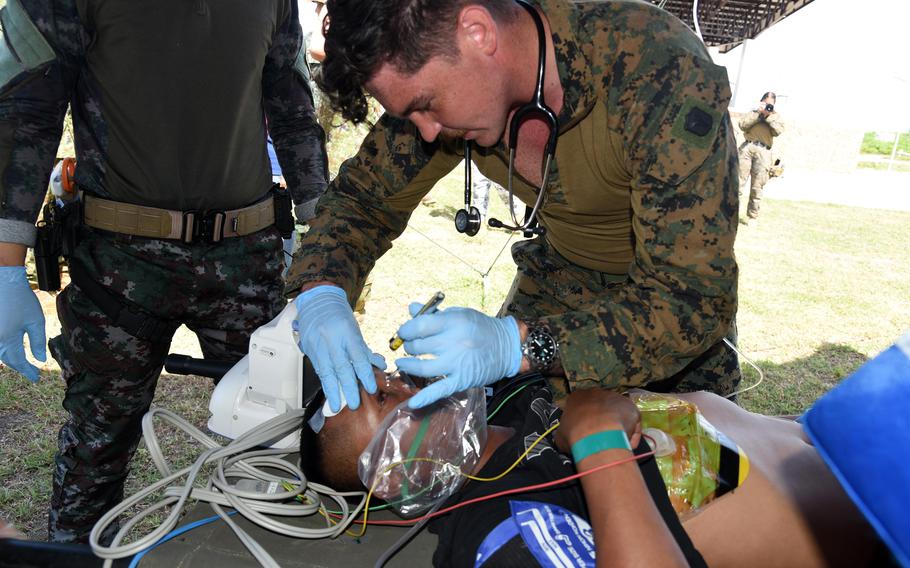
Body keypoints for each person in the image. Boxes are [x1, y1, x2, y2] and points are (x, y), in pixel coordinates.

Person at [287, 0, 742, 415]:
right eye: (411, 116)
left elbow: (691, 299)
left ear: (478, 32)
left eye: (426, 105)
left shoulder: (657, 68)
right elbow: (364, 200)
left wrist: (516, 347)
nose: (426, 133)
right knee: (508, 443)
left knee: (681, 478)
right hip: (558, 280)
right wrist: (321, 293)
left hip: (668, 321)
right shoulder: (441, 83)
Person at [0, 0, 327, 543]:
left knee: (271, 446)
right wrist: (7, 266)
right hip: (120, 269)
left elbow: (293, 109)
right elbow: (23, 115)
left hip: (246, 257)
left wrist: (324, 241)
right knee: (97, 449)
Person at [302, 368, 881, 567]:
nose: (405, 383)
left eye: (383, 376)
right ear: (399, 474)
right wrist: (600, 441)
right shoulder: (500, 528)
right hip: (886, 526)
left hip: (859, 441)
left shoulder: (510, 405)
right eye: (385, 401)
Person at [738, 92, 785, 224]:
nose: (768, 107)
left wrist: (768, 117)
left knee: (757, 186)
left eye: (770, 104)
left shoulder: (776, 117)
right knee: (738, 183)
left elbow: (778, 131)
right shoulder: (754, 112)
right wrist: (759, 115)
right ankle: (731, 214)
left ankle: (752, 217)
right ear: (761, 102)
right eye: (766, 103)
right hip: (747, 148)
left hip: (764, 152)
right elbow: (742, 125)